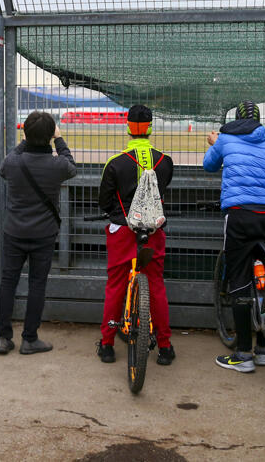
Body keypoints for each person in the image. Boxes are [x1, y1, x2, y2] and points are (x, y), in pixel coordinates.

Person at [205, 101, 265, 373]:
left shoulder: (225, 139)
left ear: (236, 119)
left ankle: (242, 354)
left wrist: (214, 143)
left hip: (238, 215)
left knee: (239, 278)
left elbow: (208, 165)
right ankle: (263, 349)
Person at [97, 104, 175, 366]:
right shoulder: (165, 161)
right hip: (153, 231)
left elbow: (104, 202)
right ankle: (165, 346)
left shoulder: (115, 163)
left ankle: (107, 344)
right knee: (156, 285)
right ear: (150, 128)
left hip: (122, 232)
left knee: (116, 285)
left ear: (128, 127)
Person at [0, 111, 77, 355]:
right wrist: (59, 140)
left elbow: (4, 166)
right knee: (37, 284)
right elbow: (71, 166)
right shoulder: (56, 165)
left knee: (8, 282)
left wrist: (25, 140)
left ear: (26, 134)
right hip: (43, 233)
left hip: (14, 231)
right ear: (50, 135)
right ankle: (29, 338)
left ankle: (3, 337)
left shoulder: (13, 162)